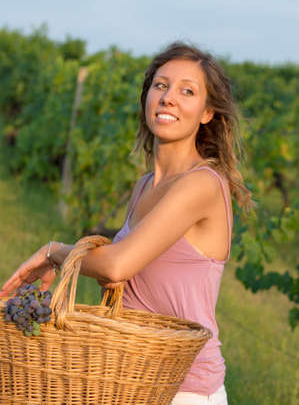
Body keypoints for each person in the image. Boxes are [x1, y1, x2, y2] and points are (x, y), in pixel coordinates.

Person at [0, 42, 252, 404]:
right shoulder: (144, 187)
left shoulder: (202, 184)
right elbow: (119, 275)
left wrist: (55, 253)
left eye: (187, 91)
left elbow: (118, 264)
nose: (168, 98)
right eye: (160, 85)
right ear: (147, 96)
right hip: (134, 380)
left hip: (185, 389)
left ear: (207, 113)